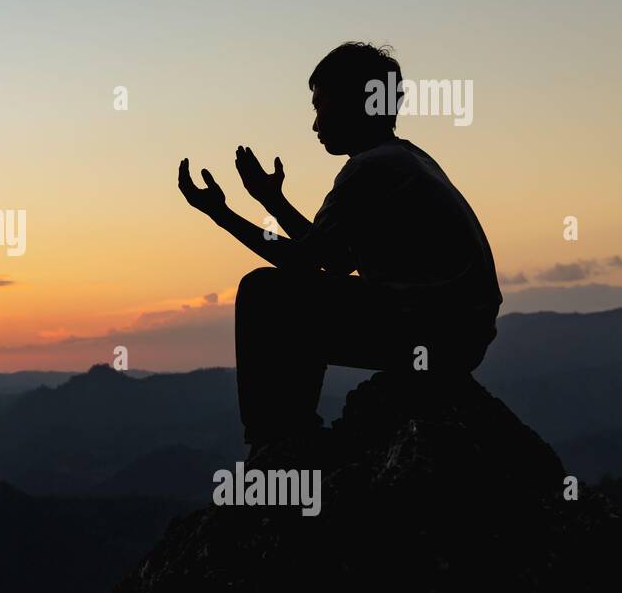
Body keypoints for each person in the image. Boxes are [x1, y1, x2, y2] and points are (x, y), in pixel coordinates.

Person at [177, 42, 501, 454]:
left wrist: (220, 214)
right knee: (293, 298)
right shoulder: (404, 159)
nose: (315, 124)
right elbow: (333, 257)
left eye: (321, 105)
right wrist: (271, 201)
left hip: (432, 333)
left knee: (265, 292)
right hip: (457, 336)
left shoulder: (370, 167)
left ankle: (275, 441)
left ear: (356, 103)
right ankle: (289, 434)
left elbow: (307, 262)